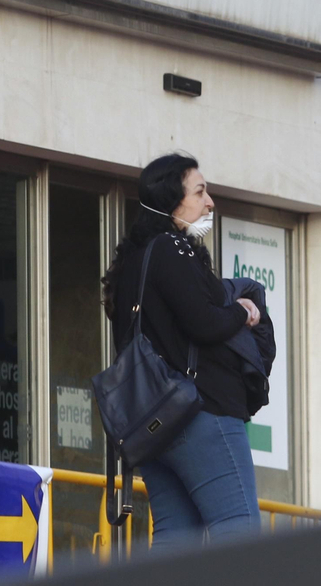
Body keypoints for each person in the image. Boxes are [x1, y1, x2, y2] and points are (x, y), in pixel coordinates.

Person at [101, 153, 265, 550]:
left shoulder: (131, 265)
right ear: (172, 200)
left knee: (176, 543)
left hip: (153, 427)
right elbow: (204, 322)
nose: (209, 202)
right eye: (200, 191)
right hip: (200, 414)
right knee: (240, 531)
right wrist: (240, 311)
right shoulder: (172, 249)